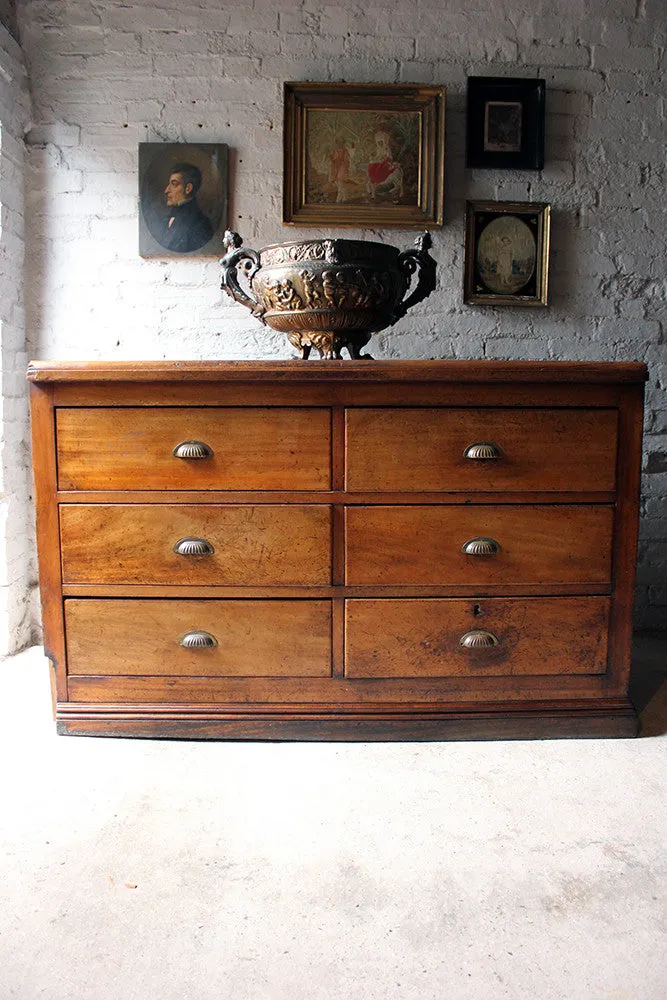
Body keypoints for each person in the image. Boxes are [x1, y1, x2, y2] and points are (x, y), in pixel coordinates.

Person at [161, 162, 213, 253]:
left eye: (174, 184)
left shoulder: (201, 224)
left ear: (188, 188)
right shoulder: (169, 217)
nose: (166, 190)